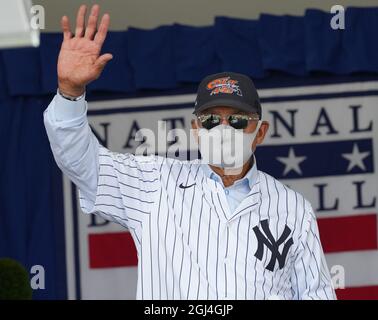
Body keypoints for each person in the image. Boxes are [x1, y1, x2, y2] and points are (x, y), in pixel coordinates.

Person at [43, 4, 336, 300]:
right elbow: (81, 162)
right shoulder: (155, 183)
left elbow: (317, 294)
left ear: (260, 132)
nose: (223, 129)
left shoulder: (294, 208)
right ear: (196, 130)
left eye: (236, 120)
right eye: (211, 120)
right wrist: (69, 92)